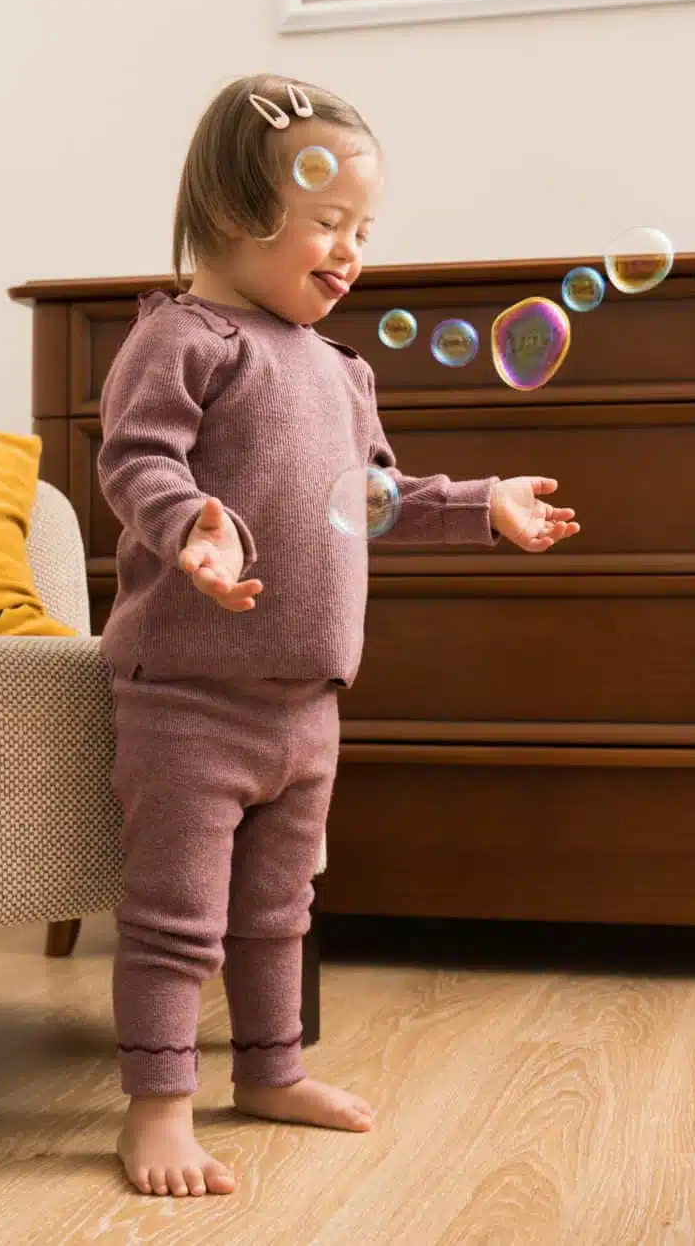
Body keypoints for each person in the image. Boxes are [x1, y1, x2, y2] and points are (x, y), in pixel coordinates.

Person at [97, 73, 578, 1197]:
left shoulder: (340, 367)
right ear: (232, 217)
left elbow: (374, 497)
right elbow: (137, 463)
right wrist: (191, 533)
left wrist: (480, 504)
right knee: (175, 918)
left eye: (364, 230)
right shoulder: (182, 338)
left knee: (279, 913)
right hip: (185, 693)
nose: (352, 250)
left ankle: (270, 1070)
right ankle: (157, 1106)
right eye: (328, 224)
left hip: (304, 702)